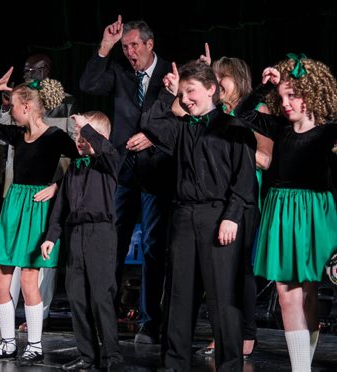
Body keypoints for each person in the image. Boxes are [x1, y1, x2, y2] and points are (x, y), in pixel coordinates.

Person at [141, 60, 257, 370]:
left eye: (191, 91)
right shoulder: (180, 127)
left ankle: (230, 364)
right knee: (179, 296)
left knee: (222, 299)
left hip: (219, 217)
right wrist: (168, 94)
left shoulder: (235, 128)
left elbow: (244, 181)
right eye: (183, 93)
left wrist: (232, 216)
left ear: (211, 89)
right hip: (182, 217)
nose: (187, 99)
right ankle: (174, 364)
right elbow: (150, 124)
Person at [236, 54, 337, 371]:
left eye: (293, 95)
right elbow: (242, 112)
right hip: (281, 212)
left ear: (312, 92)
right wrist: (265, 86)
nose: (287, 102)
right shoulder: (278, 126)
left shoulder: (330, 133)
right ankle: (300, 368)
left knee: (309, 295)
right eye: (283, 97)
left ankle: (304, 359)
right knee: (286, 293)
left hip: (314, 213)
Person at [0, 68, 78, 365]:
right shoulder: (18, 135)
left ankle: (34, 345)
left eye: (13, 106)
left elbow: (84, 162)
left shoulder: (56, 136)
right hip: (14, 204)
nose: (11, 111)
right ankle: (8, 343)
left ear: (27, 106)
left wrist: (57, 186)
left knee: (30, 279)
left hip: (36, 206)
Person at [79, 15, 172, 344]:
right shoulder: (120, 72)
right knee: (112, 243)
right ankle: (105, 317)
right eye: (125, 46)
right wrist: (105, 46)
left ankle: (150, 321)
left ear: (150, 44)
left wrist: (153, 135)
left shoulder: (169, 76)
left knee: (151, 247)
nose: (130, 52)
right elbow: (88, 85)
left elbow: (180, 119)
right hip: (123, 172)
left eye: (134, 45)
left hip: (157, 173)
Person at [196, 46, 273, 359]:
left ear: (237, 79)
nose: (216, 82)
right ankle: (222, 333)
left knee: (240, 269)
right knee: (215, 270)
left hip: (242, 199)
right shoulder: (214, 114)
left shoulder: (257, 111)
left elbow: (265, 159)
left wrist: (233, 145)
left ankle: (247, 333)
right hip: (213, 197)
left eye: (220, 77)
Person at [41, 111, 123, 370]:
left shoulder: (110, 161)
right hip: (74, 235)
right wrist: (51, 237)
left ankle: (112, 357)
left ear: (101, 137)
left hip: (101, 234)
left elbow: (103, 148)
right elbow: (61, 206)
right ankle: (88, 356)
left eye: (85, 134)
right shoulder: (74, 169)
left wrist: (88, 128)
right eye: (77, 134)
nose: (80, 139)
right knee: (77, 298)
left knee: (100, 297)